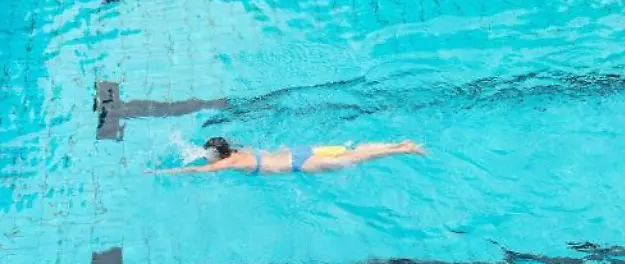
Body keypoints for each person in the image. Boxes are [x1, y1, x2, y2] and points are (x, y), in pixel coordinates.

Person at [158, 137, 425, 174]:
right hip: (301, 151)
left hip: (302, 163)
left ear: (217, 154)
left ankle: (402, 150)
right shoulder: (238, 150)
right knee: (352, 151)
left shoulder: (228, 163)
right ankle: (396, 145)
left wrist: (164, 172)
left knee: (355, 158)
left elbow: (196, 170)